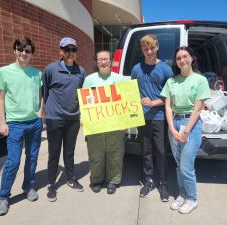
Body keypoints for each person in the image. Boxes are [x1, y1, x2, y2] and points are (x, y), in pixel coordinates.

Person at [0, 37, 43, 216]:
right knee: (13, 161)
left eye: (28, 51)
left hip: (35, 123)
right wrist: (2, 122)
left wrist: (40, 113)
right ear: (14, 51)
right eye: (20, 49)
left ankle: (28, 187)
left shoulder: (37, 74)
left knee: (32, 157)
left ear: (31, 53)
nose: (24, 53)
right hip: (14, 124)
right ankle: (4, 196)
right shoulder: (4, 72)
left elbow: (40, 94)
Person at [161, 46, 211, 214]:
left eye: (185, 56)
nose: (182, 60)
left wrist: (186, 131)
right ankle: (182, 194)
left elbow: (198, 108)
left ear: (191, 58)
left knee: (186, 166)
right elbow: (168, 106)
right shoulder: (171, 81)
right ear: (176, 62)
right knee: (178, 164)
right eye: (178, 58)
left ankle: (192, 198)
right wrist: (172, 128)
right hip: (174, 123)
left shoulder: (200, 80)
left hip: (191, 124)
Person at [42, 37, 86, 202]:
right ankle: (51, 184)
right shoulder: (50, 69)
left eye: (73, 50)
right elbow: (45, 91)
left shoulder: (81, 71)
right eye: (66, 49)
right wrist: (48, 110)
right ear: (60, 50)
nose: (70, 53)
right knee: (54, 153)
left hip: (73, 118)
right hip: (54, 118)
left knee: (69, 152)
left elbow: (83, 94)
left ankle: (70, 178)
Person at [131, 34, 173, 202]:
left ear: (157, 47)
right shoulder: (136, 69)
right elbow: (131, 91)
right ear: (142, 50)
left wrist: (154, 102)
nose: (149, 51)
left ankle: (163, 182)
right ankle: (148, 180)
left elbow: (171, 95)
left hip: (160, 116)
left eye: (152, 48)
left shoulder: (166, 69)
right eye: (145, 48)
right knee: (146, 150)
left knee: (161, 151)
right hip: (143, 117)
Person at [82, 50, 125, 194]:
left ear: (111, 61)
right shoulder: (90, 79)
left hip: (115, 125)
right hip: (96, 125)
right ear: (96, 62)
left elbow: (125, 101)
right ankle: (96, 180)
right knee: (96, 154)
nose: (103, 62)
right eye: (100, 59)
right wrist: (83, 117)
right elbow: (85, 101)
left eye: (106, 59)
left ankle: (113, 180)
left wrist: (124, 123)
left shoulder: (120, 79)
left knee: (115, 154)